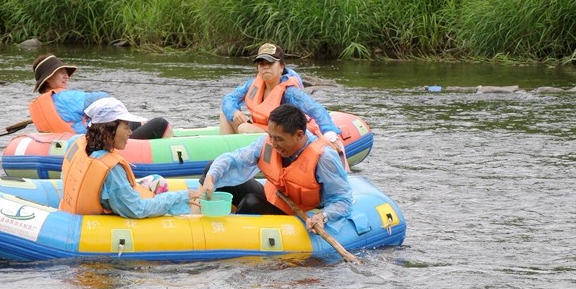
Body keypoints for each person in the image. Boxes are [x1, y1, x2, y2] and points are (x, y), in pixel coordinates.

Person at [199, 104, 352, 234]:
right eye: (271, 136)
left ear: (299, 135)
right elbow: (235, 159)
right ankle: (197, 219)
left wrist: (323, 216)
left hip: (298, 214)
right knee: (213, 168)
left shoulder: (324, 157)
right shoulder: (267, 143)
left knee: (250, 203)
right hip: (273, 197)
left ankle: (230, 236)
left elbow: (342, 199)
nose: (273, 143)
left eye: (279, 139)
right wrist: (211, 178)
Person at [59, 97, 200, 217]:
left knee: (157, 180)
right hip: (106, 216)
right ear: (109, 129)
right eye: (126, 127)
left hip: (79, 207)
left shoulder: (76, 142)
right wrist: (180, 196)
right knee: (185, 205)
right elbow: (138, 209)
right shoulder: (112, 170)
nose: (130, 132)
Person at [30, 54, 173, 139]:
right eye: (61, 72)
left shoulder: (42, 103)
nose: (66, 76)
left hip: (70, 143)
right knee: (160, 124)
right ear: (48, 79)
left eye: (66, 72)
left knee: (133, 123)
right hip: (93, 142)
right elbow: (101, 99)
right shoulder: (65, 97)